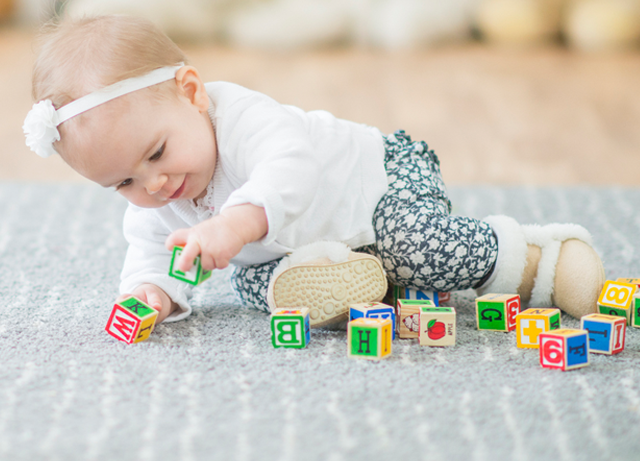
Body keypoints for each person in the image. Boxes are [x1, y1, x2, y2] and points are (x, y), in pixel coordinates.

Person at [24, 14, 605, 330]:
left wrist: (234, 225)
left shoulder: (243, 118)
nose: (151, 185)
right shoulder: (154, 197)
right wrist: (150, 293)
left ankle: (538, 260)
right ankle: (366, 278)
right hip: (304, 248)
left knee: (419, 245)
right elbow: (151, 252)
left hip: (378, 186)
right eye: (122, 182)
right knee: (258, 288)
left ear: (191, 93)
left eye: (155, 154)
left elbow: (290, 169)